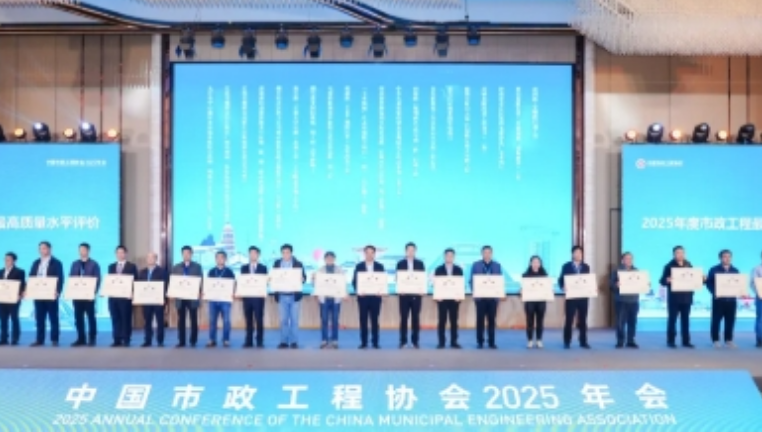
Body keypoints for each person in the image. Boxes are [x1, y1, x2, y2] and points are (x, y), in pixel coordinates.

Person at [659, 245, 695, 348]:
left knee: (686, 320)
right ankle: (671, 341)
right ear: (674, 254)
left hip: (686, 297)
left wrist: (701, 279)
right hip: (674, 298)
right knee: (672, 320)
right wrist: (667, 280)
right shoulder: (669, 266)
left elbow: (694, 279)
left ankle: (686, 341)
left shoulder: (689, 265)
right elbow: (662, 281)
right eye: (678, 253)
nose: (680, 255)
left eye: (682, 253)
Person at [29, 241, 64, 347]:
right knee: (39, 318)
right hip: (38, 294)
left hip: (51, 294)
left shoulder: (56, 262)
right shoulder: (36, 263)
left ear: (49, 249)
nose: (42, 250)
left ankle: (54, 339)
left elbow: (60, 278)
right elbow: (31, 277)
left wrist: (58, 291)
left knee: (53, 317)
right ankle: (39, 339)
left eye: (44, 248)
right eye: (40, 248)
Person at [273, 244, 307, 349]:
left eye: (287, 252)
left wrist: (302, 279)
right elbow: (274, 277)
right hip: (282, 296)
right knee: (283, 320)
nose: (285, 254)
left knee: (294, 320)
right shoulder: (277, 263)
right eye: (283, 252)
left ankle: (294, 341)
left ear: (291, 253)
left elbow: (304, 277)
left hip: (294, 296)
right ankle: (283, 341)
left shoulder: (298, 263)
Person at [558, 245, 592, 349]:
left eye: (580, 253)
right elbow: (560, 279)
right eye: (576, 253)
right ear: (572, 254)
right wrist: (562, 286)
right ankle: (567, 341)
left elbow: (588, 281)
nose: (578, 255)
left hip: (583, 298)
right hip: (571, 297)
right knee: (569, 319)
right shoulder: (566, 266)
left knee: (583, 320)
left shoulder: (586, 267)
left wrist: (592, 288)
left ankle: (583, 341)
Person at [470, 245, 503, 349]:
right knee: (480, 321)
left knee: (492, 321)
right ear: (482, 254)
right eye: (485, 252)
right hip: (480, 298)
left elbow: (500, 282)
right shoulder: (476, 265)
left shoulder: (497, 266)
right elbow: (471, 281)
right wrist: (475, 292)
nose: (487, 254)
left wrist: (499, 294)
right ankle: (480, 342)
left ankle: (491, 342)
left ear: (491, 254)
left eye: (489, 252)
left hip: (492, 299)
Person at [170, 245, 203, 348]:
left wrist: (200, 291)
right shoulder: (176, 267)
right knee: (181, 320)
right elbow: (173, 282)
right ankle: (181, 341)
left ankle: (193, 340)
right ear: (182, 254)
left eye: (188, 253)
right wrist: (171, 292)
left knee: (193, 319)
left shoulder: (197, 267)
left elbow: (201, 281)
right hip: (180, 298)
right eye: (184, 253)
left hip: (192, 297)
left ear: (191, 254)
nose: (186, 255)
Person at [69, 242, 101, 347]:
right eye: (80, 250)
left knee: (91, 317)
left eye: (84, 250)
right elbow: (71, 278)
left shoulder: (94, 264)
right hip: (77, 296)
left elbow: (97, 280)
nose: (82, 252)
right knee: (78, 318)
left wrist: (93, 293)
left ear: (88, 251)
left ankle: (92, 338)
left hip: (89, 296)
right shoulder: (75, 264)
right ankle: (81, 338)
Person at [353, 245, 385, 349]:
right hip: (363, 298)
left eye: (372, 252)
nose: (369, 255)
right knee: (363, 320)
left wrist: (381, 291)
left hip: (376, 298)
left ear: (374, 254)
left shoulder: (380, 266)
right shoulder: (359, 266)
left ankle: (375, 342)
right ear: (364, 254)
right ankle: (364, 342)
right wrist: (359, 290)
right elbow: (354, 281)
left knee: (375, 320)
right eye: (367, 252)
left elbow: (383, 282)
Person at [706, 249, 739, 348]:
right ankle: (715, 340)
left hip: (731, 300)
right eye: (725, 256)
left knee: (730, 321)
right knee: (716, 320)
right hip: (718, 300)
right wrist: (714, 292)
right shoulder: (714, 269)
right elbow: (709, 283)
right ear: (720, 258)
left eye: (729, 256)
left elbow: (739, 284)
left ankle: (729, 340)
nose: (727, 258)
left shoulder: (735, 270)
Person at [107, 245, 138, 347]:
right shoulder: (111, 266)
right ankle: (117, 339)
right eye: (118, 253)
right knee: (115, 318)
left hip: (125, 298)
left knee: (126, 318)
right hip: (113, 297)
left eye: (122, 252)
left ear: (125, 254)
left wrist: (133, 293)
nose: (120, 254)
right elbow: (109, 281)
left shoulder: (131, 266)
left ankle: (126, 338)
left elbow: (135, 281)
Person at [396, 242, 425, 349]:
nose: (411, 252)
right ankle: (403, 341)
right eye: (409, 250)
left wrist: (422, 289)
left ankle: (415, 341)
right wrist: (400, 289)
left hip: (416, 296)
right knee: (404, 318)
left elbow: (422, 279)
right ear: (406, 251)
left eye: (413, 250)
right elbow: (398, 278)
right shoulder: (400, 264)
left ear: (415, 251)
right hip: (404, 296)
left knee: (415, 318)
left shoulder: (420, 264)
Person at [609, 252, 641, 349]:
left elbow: (641, 284)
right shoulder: (617, 271)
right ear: (622, 260)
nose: (629, 260)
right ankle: (620, 341)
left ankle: (631, 340)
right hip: (621, 300)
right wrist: (616, 285)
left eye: (630, 258)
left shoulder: (636, 271)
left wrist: (645, 285)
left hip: (634, 300)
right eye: (627, 258)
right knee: (620, 322)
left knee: (632, 322)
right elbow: (611, 285)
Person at [313, 251, 344, 349]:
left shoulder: (340, 270)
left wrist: (345, 294)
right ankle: (324, 340)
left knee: (335, 320)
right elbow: (316, 284)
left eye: (331, 258)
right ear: (325, 259)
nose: (330, 259)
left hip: (336, 299)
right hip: (324, 299)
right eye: (328, 258)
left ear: (334, 259)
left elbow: (342, 284)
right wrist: (313, 280)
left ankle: (335, 340)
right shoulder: (320, 270)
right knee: (324, 320)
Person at [434, 248, 463, 349]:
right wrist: (437, 296)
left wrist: (459, 296)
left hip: (454, 300)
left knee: (454, 321)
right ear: (444, 256)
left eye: (451, 256)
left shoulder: (459, 269)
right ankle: (441, 342)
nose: (449, 257)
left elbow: (460, 285)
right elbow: (436, 284)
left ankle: (454, 342)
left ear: (454, 257)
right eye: (447, 255)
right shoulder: (438, 269)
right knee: (442, 321)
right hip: (442, 299)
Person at [206, 250, 235, 348]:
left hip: (225, 300)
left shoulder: (229, 272)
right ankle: (212, 339)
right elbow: (208, 285)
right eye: (217, 257)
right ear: (215, 259)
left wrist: (233, 292)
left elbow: (233, 284)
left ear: (225, 259)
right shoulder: (211, 271)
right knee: (212, 321)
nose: (219, 259)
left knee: (226, 321)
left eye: (221, 257)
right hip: (213, 300)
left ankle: (226, 339)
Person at [240, 246, 268, 348]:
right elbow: (242, 283)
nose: (252, 255)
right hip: (247, 298)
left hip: (258, 298)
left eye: (254, 253)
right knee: (248, 320)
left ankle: (259, 340)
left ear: (258, 255)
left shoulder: (263, 268)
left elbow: (265, 283)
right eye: (250, 253)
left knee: (259, 320)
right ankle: (249, 341)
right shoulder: (243, 268)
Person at [138, 252, 166, 347]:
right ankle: (147, 340)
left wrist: (164, 298)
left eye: (152, 258)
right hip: (146, 300)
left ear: (156, 259)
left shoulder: (162, 271)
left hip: (158, 300)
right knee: (147, 321)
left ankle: (160, 340)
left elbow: (165, 285)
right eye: (148, 258)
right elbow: (139, 285)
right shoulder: (142, 272)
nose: (150, 259)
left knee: (160, 321)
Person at [521, 255, 548, 349]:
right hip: (530, 302)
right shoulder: (525, 275)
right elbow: (523, 288)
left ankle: (539, 340)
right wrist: (521, 291)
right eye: (534, 262)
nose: (536, 264)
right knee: (530, 321)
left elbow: (547, 288)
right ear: (530, 263)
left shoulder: (545, 275)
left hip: (541, 302)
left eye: (538, 262)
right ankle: (530, 340)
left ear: (540, 264)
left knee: (540, 321)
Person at [0, 252, 25, 346]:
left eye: (9, 259)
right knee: (3, 319)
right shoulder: (1, 271)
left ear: (14, 261)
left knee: (14, 318)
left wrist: (20, 294)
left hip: (14, 299)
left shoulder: (19, 271)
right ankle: (4, 338)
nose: (6, 261)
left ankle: (15, 338)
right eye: (5, 259)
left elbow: (22, 284)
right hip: (2, 299)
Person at [751, 252, 762, 348]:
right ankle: (760, 339)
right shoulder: (757, 269)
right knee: (760, 319)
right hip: (761, 298)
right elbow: (753, 283)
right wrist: (759, 293)